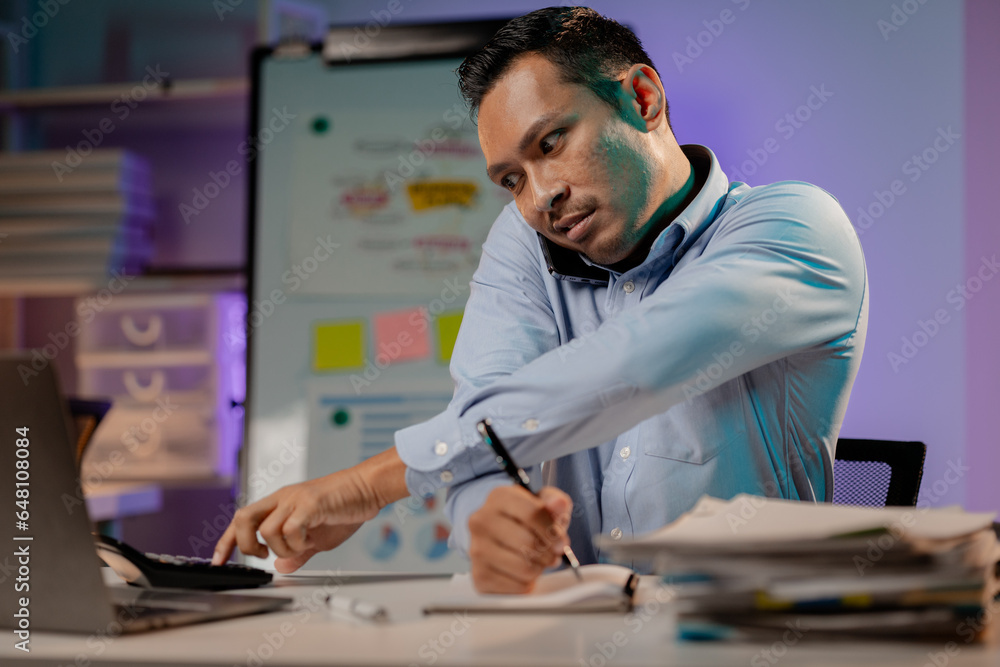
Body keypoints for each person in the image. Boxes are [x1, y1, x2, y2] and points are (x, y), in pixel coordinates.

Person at [213, 6, 867, 595]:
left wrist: (367, 484)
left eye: (550, 144)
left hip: (751, 637)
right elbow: (485, 416)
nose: (538, 198)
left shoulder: (796, 229)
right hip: (573, 637)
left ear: (642, 98)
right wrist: (489, 517)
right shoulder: (525, 243)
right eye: (511, 179)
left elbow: (630, 367)